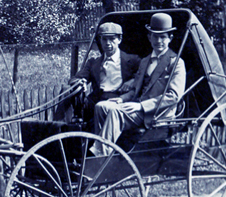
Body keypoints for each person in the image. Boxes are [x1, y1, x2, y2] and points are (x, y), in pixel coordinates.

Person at [93, 13, 186, 153]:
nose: (158, 41)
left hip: (157, 113)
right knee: (101, 106)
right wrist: (121, 99)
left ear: (170, 38)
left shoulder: (176, 63)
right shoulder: (145, 61)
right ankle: (110, 150)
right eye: (155, 36)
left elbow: (173, 96)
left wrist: (141, 106)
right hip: (138, 109)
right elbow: (135, 89)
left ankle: (100, 156)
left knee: (115, 112)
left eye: (162, 37)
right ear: (149, 37)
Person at [55, 22, 140, 123]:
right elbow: (74, 79)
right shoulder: (93, 62)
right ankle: (58, 126)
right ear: (100, 40)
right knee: (66, 89)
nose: (108, 43)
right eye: (104, 39)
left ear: (119, 39)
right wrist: (80, 82)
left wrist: (133, 80)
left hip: (118, 100)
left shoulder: (133, 60)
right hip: (95, 101)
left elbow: (145, 77)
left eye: (112, 39)